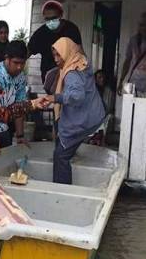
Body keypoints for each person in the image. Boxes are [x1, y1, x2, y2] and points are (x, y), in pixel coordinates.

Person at [43, 37, 105, 185]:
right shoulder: (81, 62)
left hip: (81, 120)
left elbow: (77, 96)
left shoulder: (71, 73)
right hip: (93, 115)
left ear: (67, 53)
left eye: (59, 55)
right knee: (61, 148)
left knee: (60, 156)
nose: (56, 60)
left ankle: (62, 190)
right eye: (54, 56)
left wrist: (55, 98)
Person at [28, 0, 82, 82]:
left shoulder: (71, 30)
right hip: (49, 79)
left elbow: (80, 53)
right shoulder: (40, 34)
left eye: (54, 18)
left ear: (61, 15)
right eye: (47, 19)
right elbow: (27, 52)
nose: (51, 22)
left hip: (69, 77)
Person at [0, 40, 29, 148]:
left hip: (6, 129)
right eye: (16, 63)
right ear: (7, 58)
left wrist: (20, 136)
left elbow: (19, 107)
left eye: (22, 63)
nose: (19, 67)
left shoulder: (21, 77)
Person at [89, 69, 115, 146]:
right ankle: (94, 138)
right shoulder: (92, 91)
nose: (102, 79)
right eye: (99, 77)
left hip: (104, 115)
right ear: (95, 80)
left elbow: (109, 107)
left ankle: (99, 139)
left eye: (103, 77)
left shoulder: (108, 91)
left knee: (109, 118)